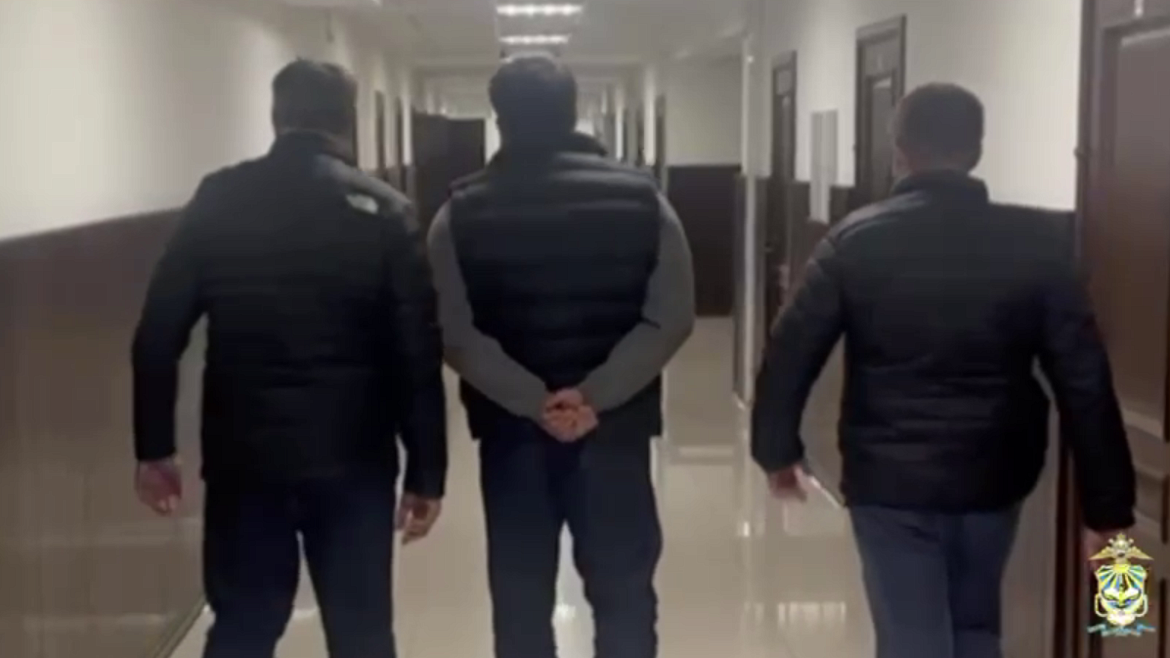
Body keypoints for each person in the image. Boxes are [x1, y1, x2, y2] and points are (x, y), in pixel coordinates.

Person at [751, 83, 1136, 658]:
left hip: (888, 481)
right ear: (976, 150)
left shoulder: (854, 242)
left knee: (911, 636)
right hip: (995, 475)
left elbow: (789, 351)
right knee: (976, 626)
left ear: (898, 151)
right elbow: (1086, 381)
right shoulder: (1036, 246)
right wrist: (1109, 511)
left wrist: (776, 451)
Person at [131, 59, 447, 658]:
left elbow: (157, 334)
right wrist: (427, 472)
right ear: (348, 122)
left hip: (245, 459)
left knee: (243, 629)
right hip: (354, 460)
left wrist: (154, 449)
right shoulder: (386, 211)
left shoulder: (219, 199)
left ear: (276, 117)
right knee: (362, 635)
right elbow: (416, 353)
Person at [427, 54, 695, 658]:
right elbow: (671, 316)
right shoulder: (644, 201)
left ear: (500, 119)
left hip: (512, 437)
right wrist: (593, 397)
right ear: (573, 112)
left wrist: (534, 401)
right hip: (615, 433)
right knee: (624, 596)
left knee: (520, 601)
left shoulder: (459, 212)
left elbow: (453, 330)